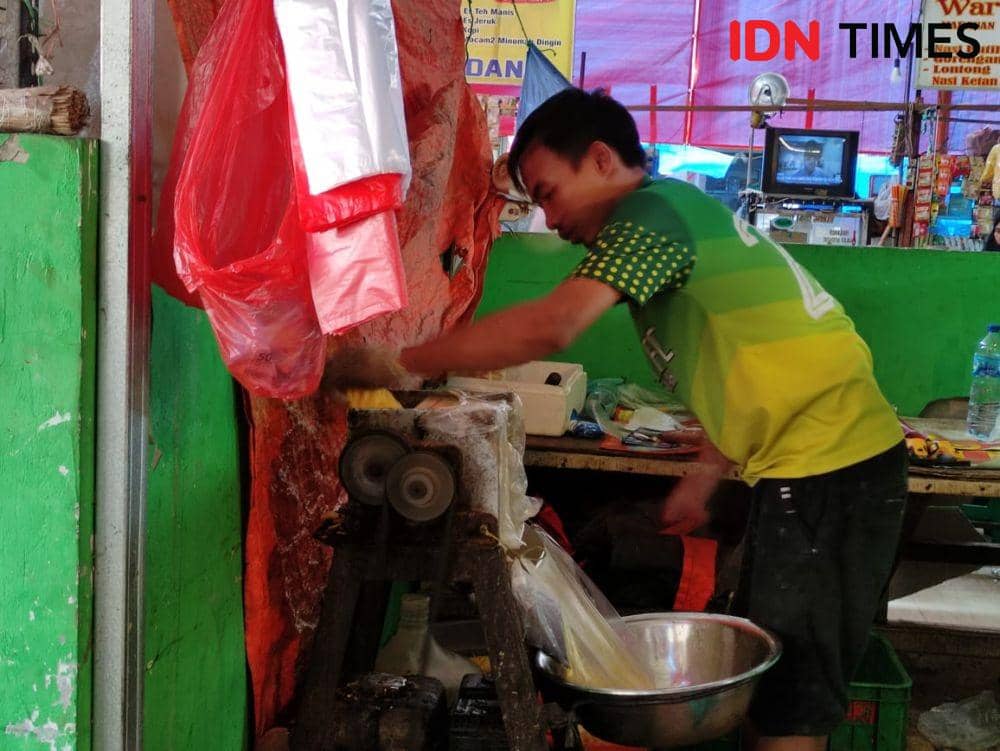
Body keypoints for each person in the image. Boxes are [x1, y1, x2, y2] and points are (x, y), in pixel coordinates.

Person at [326, 88, 907, 751]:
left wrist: (401, 362)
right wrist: (703, 475)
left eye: (549, 194)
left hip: (831, 470)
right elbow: (751, 357)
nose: (551, 219)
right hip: (814, 469)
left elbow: (553, 324)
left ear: (601, 159)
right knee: (770, 685)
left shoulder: (651, 215)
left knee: (787, 708)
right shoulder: (675, 219)